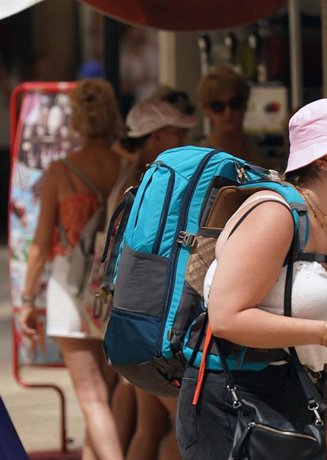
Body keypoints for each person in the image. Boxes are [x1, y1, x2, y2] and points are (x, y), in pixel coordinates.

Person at [176, 98, 327, 460]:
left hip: (294, 397)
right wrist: (323, 334)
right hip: (231, 401)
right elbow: (227, 318)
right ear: (323, 158)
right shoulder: (274, 215)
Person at [18, 79, 125, 460]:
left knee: (92, 399)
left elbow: (42, 245)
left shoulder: (61, 172)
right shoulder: (127, 167)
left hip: (69, 291)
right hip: (115, 290)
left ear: (76, 120)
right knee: (107, 397)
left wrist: (27, 299)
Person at [111, 98, 197, 460]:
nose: (183, 139)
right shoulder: (149, 184)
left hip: (132, 313)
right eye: (176, 133)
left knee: (151, 427)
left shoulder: (135, 180)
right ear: (154, 137)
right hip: (148, 317)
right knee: (182, 426)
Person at [195, 65, 263, 165]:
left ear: (245, 104)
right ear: (206, 111)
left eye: (234, 103)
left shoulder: (259, 149)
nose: (228, 113)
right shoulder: (201, 158)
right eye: (218, 106)